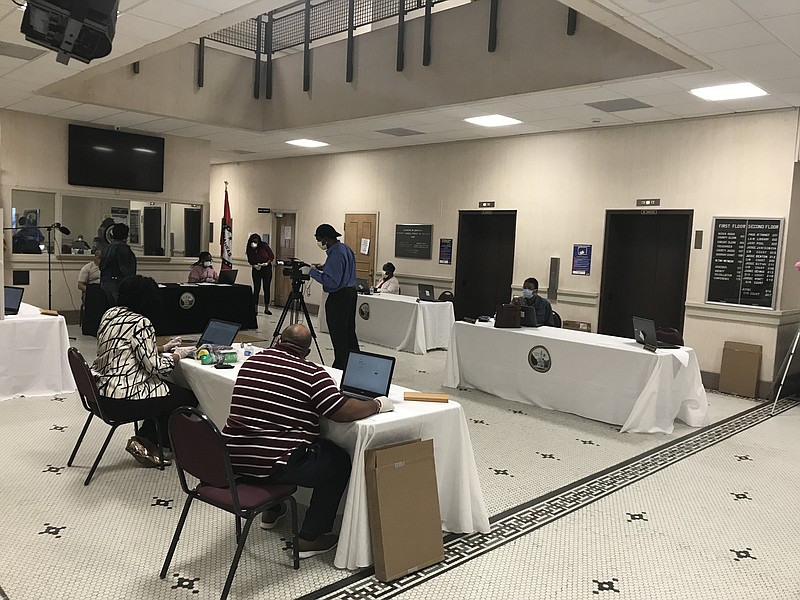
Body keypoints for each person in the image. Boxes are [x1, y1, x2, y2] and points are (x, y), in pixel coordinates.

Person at [222, 323, 393, 558]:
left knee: (274, 444)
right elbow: (342, 412)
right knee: (338, 462)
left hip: (234, 456)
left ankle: (271, 512)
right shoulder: (311, 374)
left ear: (279, 340)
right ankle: (310, 538)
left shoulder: (252, 362)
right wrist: (377, 404)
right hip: (272, 463)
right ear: (307, 351)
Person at [92, 275, 198, 467]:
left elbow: (123, 347)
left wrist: (164, 348)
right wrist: (178, 355)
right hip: (122, 397)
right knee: (186, 397)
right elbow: (156, 367)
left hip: (101, 392)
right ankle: (150, 441)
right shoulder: (141, 323)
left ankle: (149, 441)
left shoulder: (111, 314)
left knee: (167, 392)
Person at [308, 223, 359, 370]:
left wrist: (312, 272)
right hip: (350, 293)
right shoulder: (345, 248)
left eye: (319, 239)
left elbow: (333, 281)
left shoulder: (335, 253)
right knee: (349, 332)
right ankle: (354, 364)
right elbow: (342, 269)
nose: (319, 243)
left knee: (339, 334)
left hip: (339, 297)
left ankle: (341, 366)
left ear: (326, 239)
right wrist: (324, 267)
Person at [100, 223, 137, 303]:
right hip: (117, 284)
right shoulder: (123, 248)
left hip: (105, 283)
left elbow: (101, 267)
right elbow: (125, 269)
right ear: (126, 235)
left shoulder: (106, 248)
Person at [246, 233, 275, 315]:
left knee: (266, 288)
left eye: (255, 242)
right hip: (256, 269)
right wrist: (254, 265)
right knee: (256, 289)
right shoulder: (249, 248)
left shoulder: (264, 246)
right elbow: (249, 259)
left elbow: (271, 256)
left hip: (266, 268)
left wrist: (266, 263)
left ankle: (266, 308)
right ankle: (255, 308)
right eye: (253, 242)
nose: (254, 244)